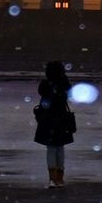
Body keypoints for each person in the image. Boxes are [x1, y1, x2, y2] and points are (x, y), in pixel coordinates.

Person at [34, 59, 76, 187]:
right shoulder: (64, 83)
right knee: (60, 148)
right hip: (61, 118)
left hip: (48, 119)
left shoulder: (45, 83)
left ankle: (52, 178)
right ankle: (59, 177)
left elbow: (42, 95)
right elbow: (68, 96)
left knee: (51, 148)